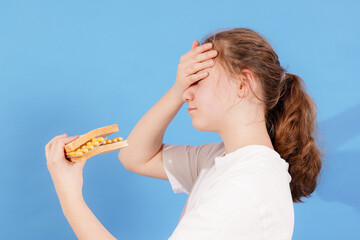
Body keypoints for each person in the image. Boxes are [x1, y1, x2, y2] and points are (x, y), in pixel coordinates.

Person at [45, 27, 324, 239]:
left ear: (243, 85)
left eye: (199, 79)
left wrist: (69, 197)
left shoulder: (244, 186)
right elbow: (135, 157)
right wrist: (177, 90)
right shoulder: (224, 160)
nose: (188, 93)